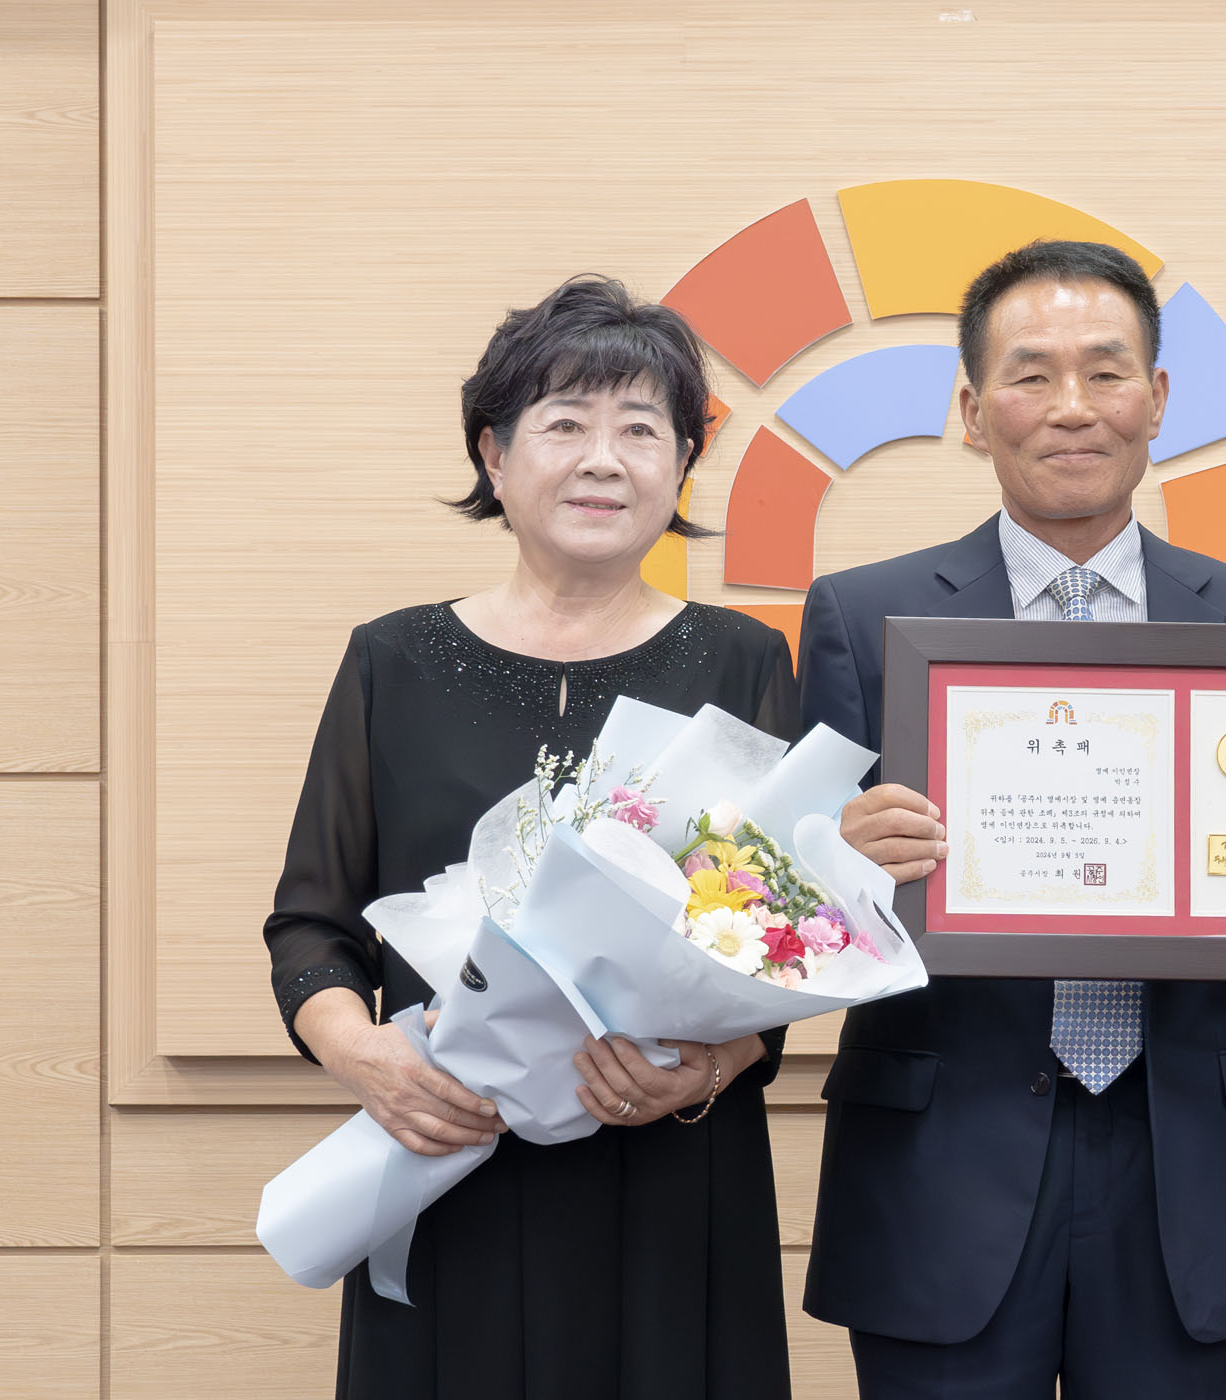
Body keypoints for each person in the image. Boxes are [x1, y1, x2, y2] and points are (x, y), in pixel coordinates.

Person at [795, 240, 1226, 1399]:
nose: (1072, 405)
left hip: (1183, 1164)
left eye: (1106, 371)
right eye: (1031, 374)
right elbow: (792, 930)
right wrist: (837, 866)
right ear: (973, 411)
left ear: (1157, 399)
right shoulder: (863, 617)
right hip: (941, 1160)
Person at [264, 276, 794, 1399]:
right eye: (564, 424)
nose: (604, 460)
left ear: (682, 467)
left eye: (641, 430)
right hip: (448, 1154)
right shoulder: (394, 660)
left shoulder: (742, 662)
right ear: (494, 456)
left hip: (666, 1169)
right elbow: (311, 923)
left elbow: (784, 940)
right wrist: (367, 1060)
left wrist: (710, 1066)